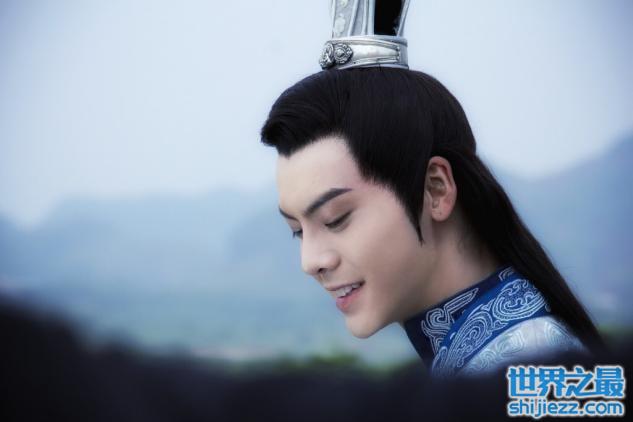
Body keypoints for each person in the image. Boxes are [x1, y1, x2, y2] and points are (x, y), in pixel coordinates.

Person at [259, 0, 605, 378]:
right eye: (298, 231)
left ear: (435, 189)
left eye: (335, 219)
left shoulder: (532, 371)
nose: (311, 262)